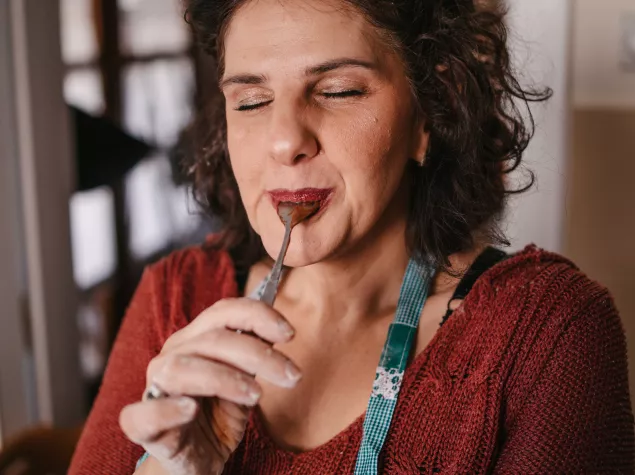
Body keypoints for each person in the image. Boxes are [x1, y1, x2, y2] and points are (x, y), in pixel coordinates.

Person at [68, 0, 635, 473]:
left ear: (428, 114)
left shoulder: (549, 334)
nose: (283, 140)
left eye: (338, 91)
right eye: (251, 101)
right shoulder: (176, 295)